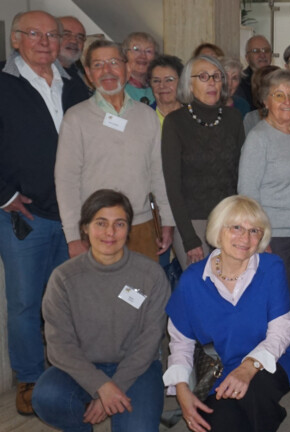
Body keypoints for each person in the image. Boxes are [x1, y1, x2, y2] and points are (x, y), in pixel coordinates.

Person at [0, 10, 91, 415]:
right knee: (25, 303)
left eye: (51, 34)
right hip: (26, 217)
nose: (44, 41)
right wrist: (4, 195)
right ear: (15, 39)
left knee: (66, 301)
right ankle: (30, 379)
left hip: (73, 216)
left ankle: (66, 371)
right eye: (33, 33)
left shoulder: (76, 86)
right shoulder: (3, 85)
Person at [31, 189, 170, 431]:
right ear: (84, 227)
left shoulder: (151, 276)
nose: (110, 233)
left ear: (128, 229)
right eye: (101, 223)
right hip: (80, 368)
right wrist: (101, 387)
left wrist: (114, 387)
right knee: (47, 397)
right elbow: (59, 346)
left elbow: (149, 341)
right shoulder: (63, 278)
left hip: (137, 370)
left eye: (119, 224)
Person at [163, 195, 290, 432]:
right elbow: (181, 342)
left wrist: (247, 369)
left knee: (254, 395)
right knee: (215, 424)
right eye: (236, 227)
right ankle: (271, 412)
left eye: (254, 231)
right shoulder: (192, 281)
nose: (245, 238)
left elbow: (281, 330)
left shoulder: (271, 267)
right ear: (218, 232)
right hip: (223, 368)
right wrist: (182, 389)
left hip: (273, 360)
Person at [55, 39, 175, 263]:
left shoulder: (146, 115)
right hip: (96, 229)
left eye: (113, 62)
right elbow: (66, 181)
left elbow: (158, 172)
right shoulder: (76, 118)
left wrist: (167, 220)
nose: (107, 71)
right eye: (98, 65)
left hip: (141, 226)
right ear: (89, 74)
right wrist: (73, 236)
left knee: (143, 295)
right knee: (98, 296)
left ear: (127, 68)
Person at [239, 69, 290, 340]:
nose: (287, 101)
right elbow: (247, 195)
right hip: (275, 237)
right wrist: (261, 238)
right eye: (279, 95)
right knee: (277, 303)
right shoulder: (258, 139)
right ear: (265, 101)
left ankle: (287, 354)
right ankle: (267, 358)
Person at [162, 55, 244, 269]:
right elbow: (173, 186)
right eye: (204, 76)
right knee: (202, 289)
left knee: (231, 286)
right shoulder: (175, 122)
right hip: (192, 221)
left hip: (229, 219)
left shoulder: (234, 118)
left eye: (217, 76)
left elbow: (240, 175)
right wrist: (189, 238)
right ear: (189, 83)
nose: (212, 82)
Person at [122, 32, 158, 104]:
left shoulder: (159, 86)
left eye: (148, 51)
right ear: (125, 54)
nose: (143, 56)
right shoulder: (116, 86)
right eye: (136, 49)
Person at [148, 54, 184, 126]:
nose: (162, 86)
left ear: (182, 82)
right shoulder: (144, 116)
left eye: (169, 80)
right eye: (156, 81)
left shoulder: (194, 116)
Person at [238, 35, 272, 108]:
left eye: (266, 50)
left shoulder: (280, 78)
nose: (262, 55)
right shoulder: (239, 81)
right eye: (256, 51)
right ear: (247, 57)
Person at [57, 16, 87, 84]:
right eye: (66, 34)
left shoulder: (79, 72)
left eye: (80, 37)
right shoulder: (45, 75)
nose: (74, 41)